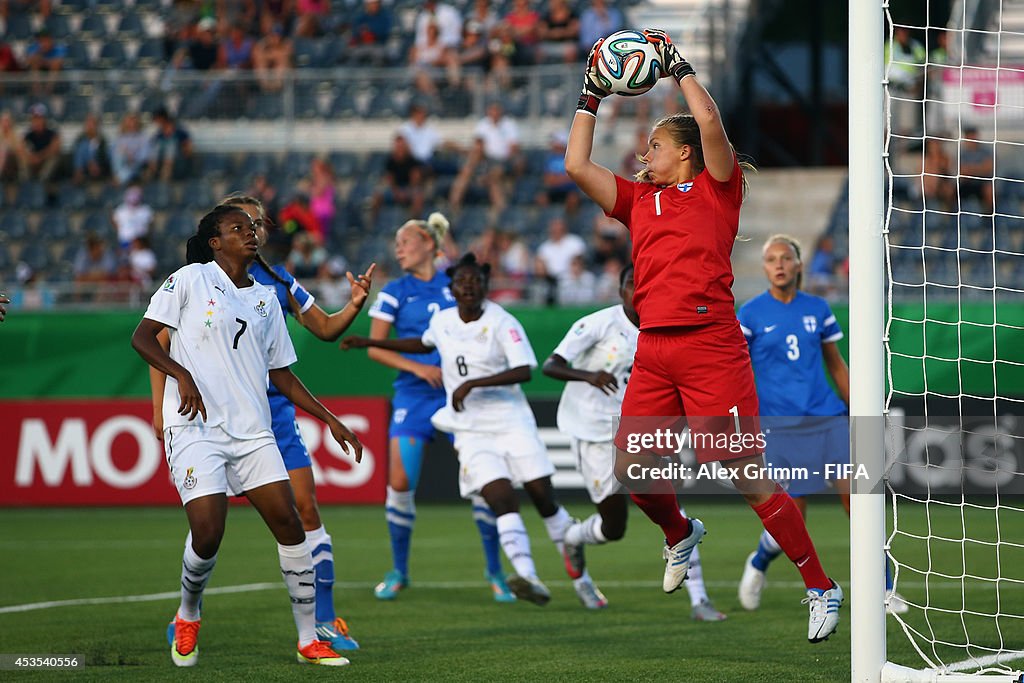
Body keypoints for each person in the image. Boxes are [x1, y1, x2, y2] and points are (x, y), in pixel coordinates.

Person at [564, 29, 844, 643]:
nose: (646, 151)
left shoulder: (718, 189)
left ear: (685, 152)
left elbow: (710, 120)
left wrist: (678, 66)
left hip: (711, 342)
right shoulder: (639, 201)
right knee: (632, 470)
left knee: (744, 471)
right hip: (656, 349)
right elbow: (576, 165)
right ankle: (679, 532)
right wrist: (590, 93)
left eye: (657, 143)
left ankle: (821, 586)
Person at [132, 204, 360, 667]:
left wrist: (331, 418)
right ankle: (188, 612)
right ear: (216, 242)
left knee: (290, 523)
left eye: (252, 227)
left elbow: (284, 377)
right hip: (195, 427)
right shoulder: (188, 280)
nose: (251, 233)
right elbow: (142, 337)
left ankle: (306, 640)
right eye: (238, 228)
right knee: (209, 531)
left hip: (253, 432)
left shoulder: (265, 299)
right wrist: (181, 376)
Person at [343, 252, 608, 609]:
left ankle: (583, 581)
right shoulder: (444, 321)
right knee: (500, 498)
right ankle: (528, 577)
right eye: (461, 282)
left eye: (474, 281)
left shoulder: (503, 322)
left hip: (511, 422)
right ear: (452, 289)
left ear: (485, 286)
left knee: (544, 500)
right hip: (470, 429)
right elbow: (422, 344)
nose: (467, 286)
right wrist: (371, 342)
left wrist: (473, 384)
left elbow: (523, 370)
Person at [736, 235, 909, 617]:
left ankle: (884, 589)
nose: (779, 264)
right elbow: (738, 372)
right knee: (790, 519)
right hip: (780, 428)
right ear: (764, 268)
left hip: (828, 419)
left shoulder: (818, 308)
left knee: (861, 504)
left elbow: (835, 364)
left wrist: (861, 411)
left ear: (799, 264)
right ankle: (759, 562)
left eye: (786, 258)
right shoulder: (749, 314)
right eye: (771, 259)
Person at [543, 265, 727, 620]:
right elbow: (551, 364)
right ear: (620, 290)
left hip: (639, 428)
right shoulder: (598, 324)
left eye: (644, 284)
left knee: (675, 512)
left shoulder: (665, 329)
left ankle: (699, 600)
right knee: (614, 528)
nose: (638, 290)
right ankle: (574, 538)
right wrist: (589, 375)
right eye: (631, 284)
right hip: (593, 432)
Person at [356, 214, 513, 603]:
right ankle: (398, 570)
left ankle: (496, 572)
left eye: (407, 239)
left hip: (461, 395)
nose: (399, 247)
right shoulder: (395, 291)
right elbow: (375, 346)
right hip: (413, 395)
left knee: (482, 482)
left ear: (429, 243)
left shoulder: (457, 284)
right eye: (397, 242)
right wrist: (418, 367)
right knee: (401, 483)